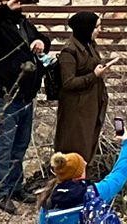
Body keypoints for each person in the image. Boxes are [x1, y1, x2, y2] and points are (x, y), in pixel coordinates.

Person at [0, 0, 48, 211]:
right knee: (4, 145)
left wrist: (40, 42)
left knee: (20, 144)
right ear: (2, 2)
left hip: (26, 96)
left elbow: (43, 39)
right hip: (5, 95)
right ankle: (0, 193)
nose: (19, 2)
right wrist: (4, 7)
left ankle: (16, 187)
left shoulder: (24, 24)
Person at [38, 133, 127, 224]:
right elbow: (120, 173)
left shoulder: (48, 200)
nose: (85, 164)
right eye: (83, 165)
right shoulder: (95, 193)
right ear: (80, 175)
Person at [53, 9, 109, 166]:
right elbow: (68, 82)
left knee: (87, 148)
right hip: (76, 110)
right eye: (96, 27)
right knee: (75, 150)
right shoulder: (69, 52)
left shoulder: (89, 45)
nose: (99, 30)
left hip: (90, 105)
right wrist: (94, 75)